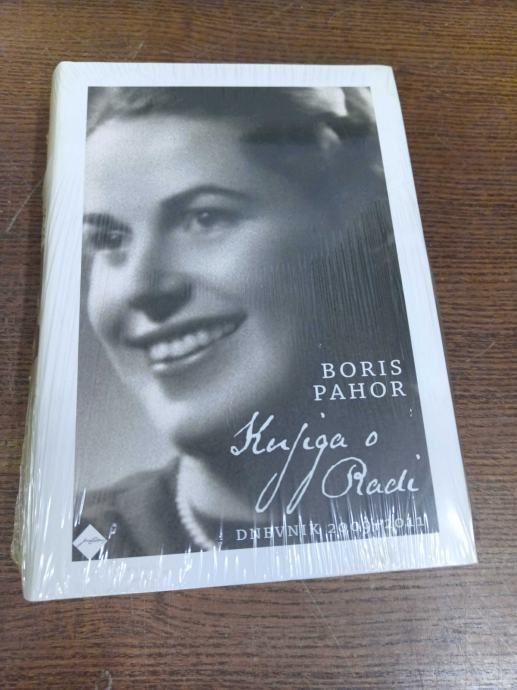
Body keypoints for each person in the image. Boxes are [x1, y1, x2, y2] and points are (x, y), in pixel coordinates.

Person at [74, 86, 424, 559]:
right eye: (109, 239)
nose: (140, 286)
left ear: (350, 224)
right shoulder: (82, 542)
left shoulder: (464, 488)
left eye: (204, 218)